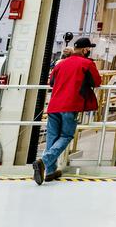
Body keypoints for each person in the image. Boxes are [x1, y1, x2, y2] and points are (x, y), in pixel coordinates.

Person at [35, 36, 101, 185]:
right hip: (71, 105)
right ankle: (43, 161)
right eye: (88, 49)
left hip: (54, 105)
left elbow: (51, 82)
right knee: (66, 136)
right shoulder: (87, 63)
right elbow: (97, 82)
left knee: (52, 138)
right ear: (85, 50)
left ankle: (50, 172)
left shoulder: (61, 64)